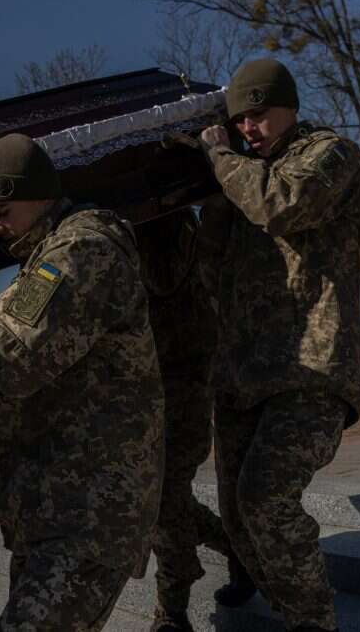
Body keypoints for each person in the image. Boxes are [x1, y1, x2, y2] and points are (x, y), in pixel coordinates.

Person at [0, 133, 165, 631]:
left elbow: (12, 356)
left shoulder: (82, 249)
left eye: (1, 212)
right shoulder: (42, 259)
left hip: (91, 513)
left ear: (39, 194)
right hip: (55, 513)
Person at [199, 59, 360, 632]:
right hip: (242, 375)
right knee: (237, 516)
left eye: (259, 113)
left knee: (265, 498)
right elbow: (209, 268)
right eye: (239, 119)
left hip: (310, 369)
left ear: (289, 107)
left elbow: (282, 206)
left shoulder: (331, 155)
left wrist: (220, 158)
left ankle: (313, 622)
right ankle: (281, 596)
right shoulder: (240, 180)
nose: (248, 127)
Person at [135, 205, 250, 632]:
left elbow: (162, 277)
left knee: (165, 496)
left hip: (184, 374)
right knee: (164, 497)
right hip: (140, 381)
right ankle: (238, 547)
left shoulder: (169, 216)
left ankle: (172, 610)